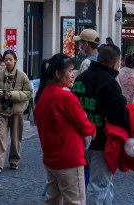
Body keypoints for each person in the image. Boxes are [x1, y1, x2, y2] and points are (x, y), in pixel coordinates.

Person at [34, 54, 96, 205]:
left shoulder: (42, 96)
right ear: (57, 73)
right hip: (69, 160)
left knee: (52, 201)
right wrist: (94, 128)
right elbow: (86, 127)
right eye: (69, 70)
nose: (73, 75)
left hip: (51, 159)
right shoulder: (66, 97)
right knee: (75, 201)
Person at [73, 43, 129, 205]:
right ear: (116, 63)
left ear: (98, 58)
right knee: (99, 185)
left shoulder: (80, 79)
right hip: (103, 142)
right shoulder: (110, 83)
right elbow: (119, 115)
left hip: (82, 139)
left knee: (104, 182)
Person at [0, 50, 33, 173]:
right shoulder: (0, 74)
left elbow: (29, 92)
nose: (8, 62)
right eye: (6, 59)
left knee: (16, 137)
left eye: (10, 59)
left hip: (17, 111)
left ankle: (14, 160)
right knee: (0, 136)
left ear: (15, 60)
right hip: (2, 110)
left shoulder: (22, 76)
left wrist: (12, 94)